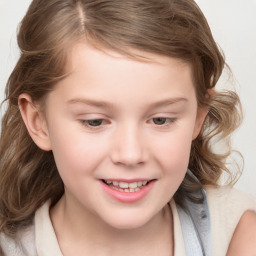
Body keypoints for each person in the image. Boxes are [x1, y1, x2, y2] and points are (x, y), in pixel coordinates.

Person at [0, 0, 255, 255]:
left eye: (160, 120)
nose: (131, 155)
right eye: (94, 121)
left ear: (198, 117)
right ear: (38, 122)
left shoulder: (238, 235)